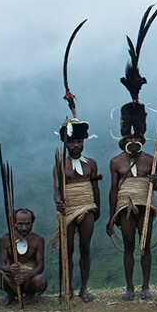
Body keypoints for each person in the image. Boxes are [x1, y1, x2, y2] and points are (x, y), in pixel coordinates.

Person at [106, 5, 157, 300]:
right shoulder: (116, 161)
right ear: (123, 137)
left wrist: (154, 183)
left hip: (146, 204)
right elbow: (113, 188)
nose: (134, 141)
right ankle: (129, 287)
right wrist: (110, 215)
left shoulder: (149, 158)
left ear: (142, 136)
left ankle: (145, 286)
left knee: (145, 243)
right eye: (130, 137)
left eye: (138, 136)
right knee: (129, 244)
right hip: (124, 205)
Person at [53, 118, 101, 302]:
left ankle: (84, 288)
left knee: (85, 247)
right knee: (67, 250)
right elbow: (57, 189)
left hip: (87, 207)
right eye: (72, 142)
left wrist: (98, 208)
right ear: (65, 143)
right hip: (69, 209)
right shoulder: (59, 166)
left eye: (79, 142)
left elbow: (95, 188)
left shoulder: (91, 164)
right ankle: (67, 288)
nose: (76, 145)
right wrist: (58, 202)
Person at [0, 208, 47, 305]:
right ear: (13, 223)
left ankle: (30, 294)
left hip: (29, 279)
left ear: (32, 223)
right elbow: (2, 265)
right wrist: (11, 269)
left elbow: (40, 266)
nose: (24, 228)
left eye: (28, 224)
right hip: (12, 278)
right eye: (20, 224)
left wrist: (25, 277)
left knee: (40, 281)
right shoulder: (5, 240)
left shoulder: (38, 240)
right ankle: (11, 292)